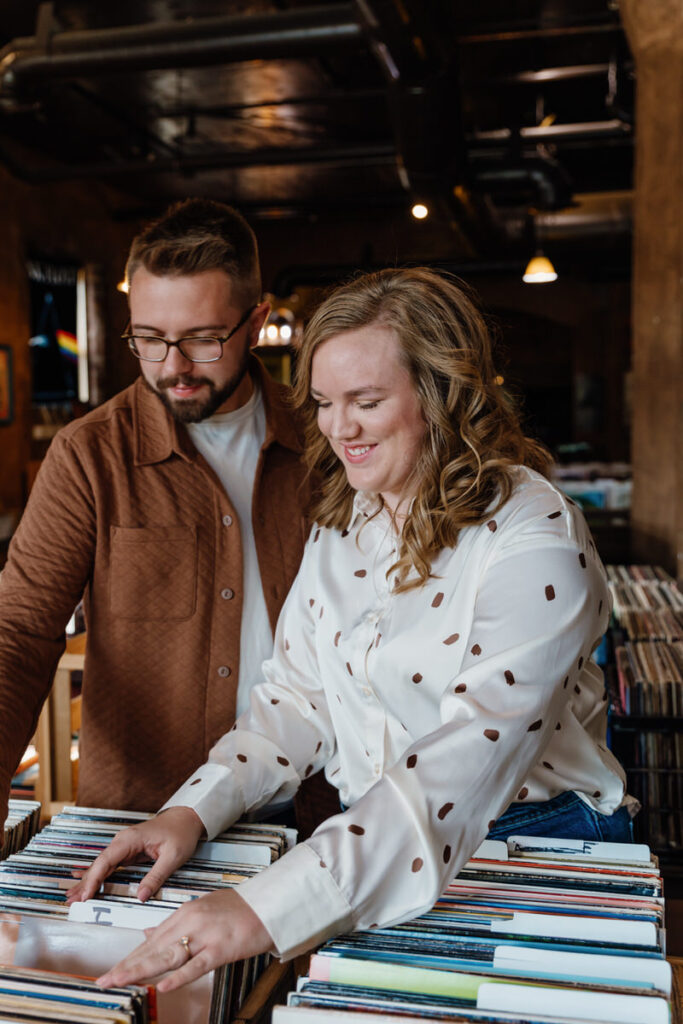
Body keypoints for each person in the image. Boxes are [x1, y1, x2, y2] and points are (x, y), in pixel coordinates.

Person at [69, 266, 634, 994]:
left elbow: (461, 762)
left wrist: (264, 909)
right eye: (325, 403)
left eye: (366, 401)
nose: (337, 428)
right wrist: (191, 809)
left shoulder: (534, 534)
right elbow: (297, 704)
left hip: (532, 846)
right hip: (367, 842)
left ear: (443, 396)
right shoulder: (350, 519)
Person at [0, 198, 322, 825]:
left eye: (202, 340)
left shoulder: (326, 442)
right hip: (142, 818)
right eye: (148, 339)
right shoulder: (89, 455)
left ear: (254, 324)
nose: (172, 367)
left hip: (314, 815)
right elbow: (19, 630)